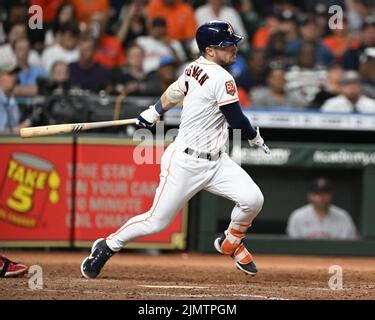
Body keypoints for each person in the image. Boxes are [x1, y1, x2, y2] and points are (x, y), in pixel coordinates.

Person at [81, 21, 270, 279]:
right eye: (227, 45)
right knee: (155, 222)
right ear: (210, 50)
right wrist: (253, 136)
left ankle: (231, 241)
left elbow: (175, 91)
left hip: (216, 162)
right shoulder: (221, 77)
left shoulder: (193, 67)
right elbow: (236, 120)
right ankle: (107, 245)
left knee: (253, 199)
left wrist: (155, 110)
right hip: (185, 162)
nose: (234, 49)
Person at [286, 178, 358, 239]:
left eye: (325, 193)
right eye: (317, 193)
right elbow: (292, 246)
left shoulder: (343, 216)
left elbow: (351, 244)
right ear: (310, 196)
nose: (321, 197)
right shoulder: (298, 216)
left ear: (331, 195)